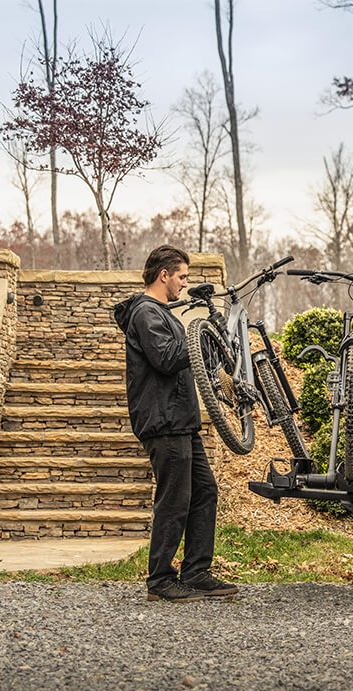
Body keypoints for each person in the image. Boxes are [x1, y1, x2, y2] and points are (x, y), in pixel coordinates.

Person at [113, 245, 239, 603]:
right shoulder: (145, 312)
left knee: (205, 491)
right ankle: (160, 580)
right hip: (163, 420)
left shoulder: (162, 313)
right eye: (181, 276)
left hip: (182, 420)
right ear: (163, 275)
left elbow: (185, 359)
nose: (185, 283)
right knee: (175, 499)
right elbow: (167, 359)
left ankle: (197, 572)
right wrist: (201, 343)